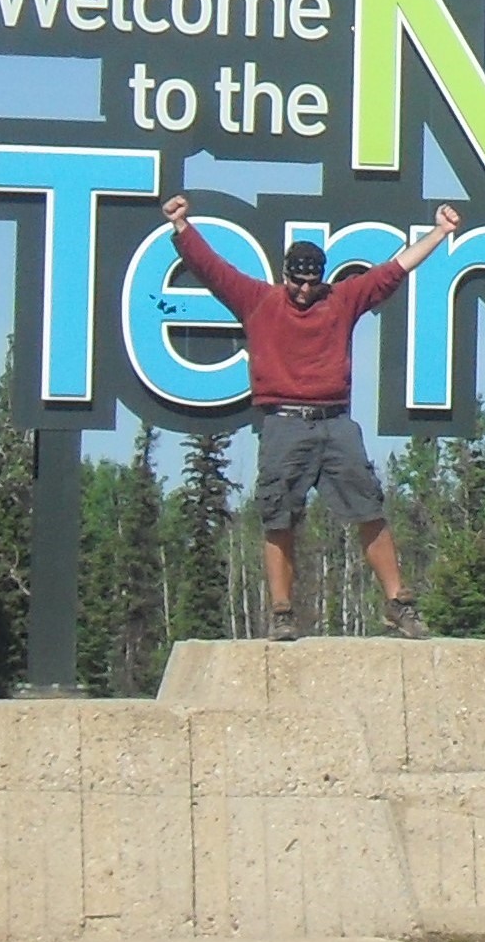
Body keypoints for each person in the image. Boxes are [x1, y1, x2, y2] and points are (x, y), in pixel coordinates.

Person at [160, 192, 463, 642]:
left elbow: (395, 270)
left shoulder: (341, 300)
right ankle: (282, 612)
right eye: (297, 281)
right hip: (283, 422)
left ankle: (399, 604)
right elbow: (212, 268)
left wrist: (440, 231)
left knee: (369, 509)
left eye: (311, 282)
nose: (304, 290)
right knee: (278, 515)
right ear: (285, 276)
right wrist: (182, 227)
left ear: (322, 278)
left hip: (336, 423)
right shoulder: (258, 300)